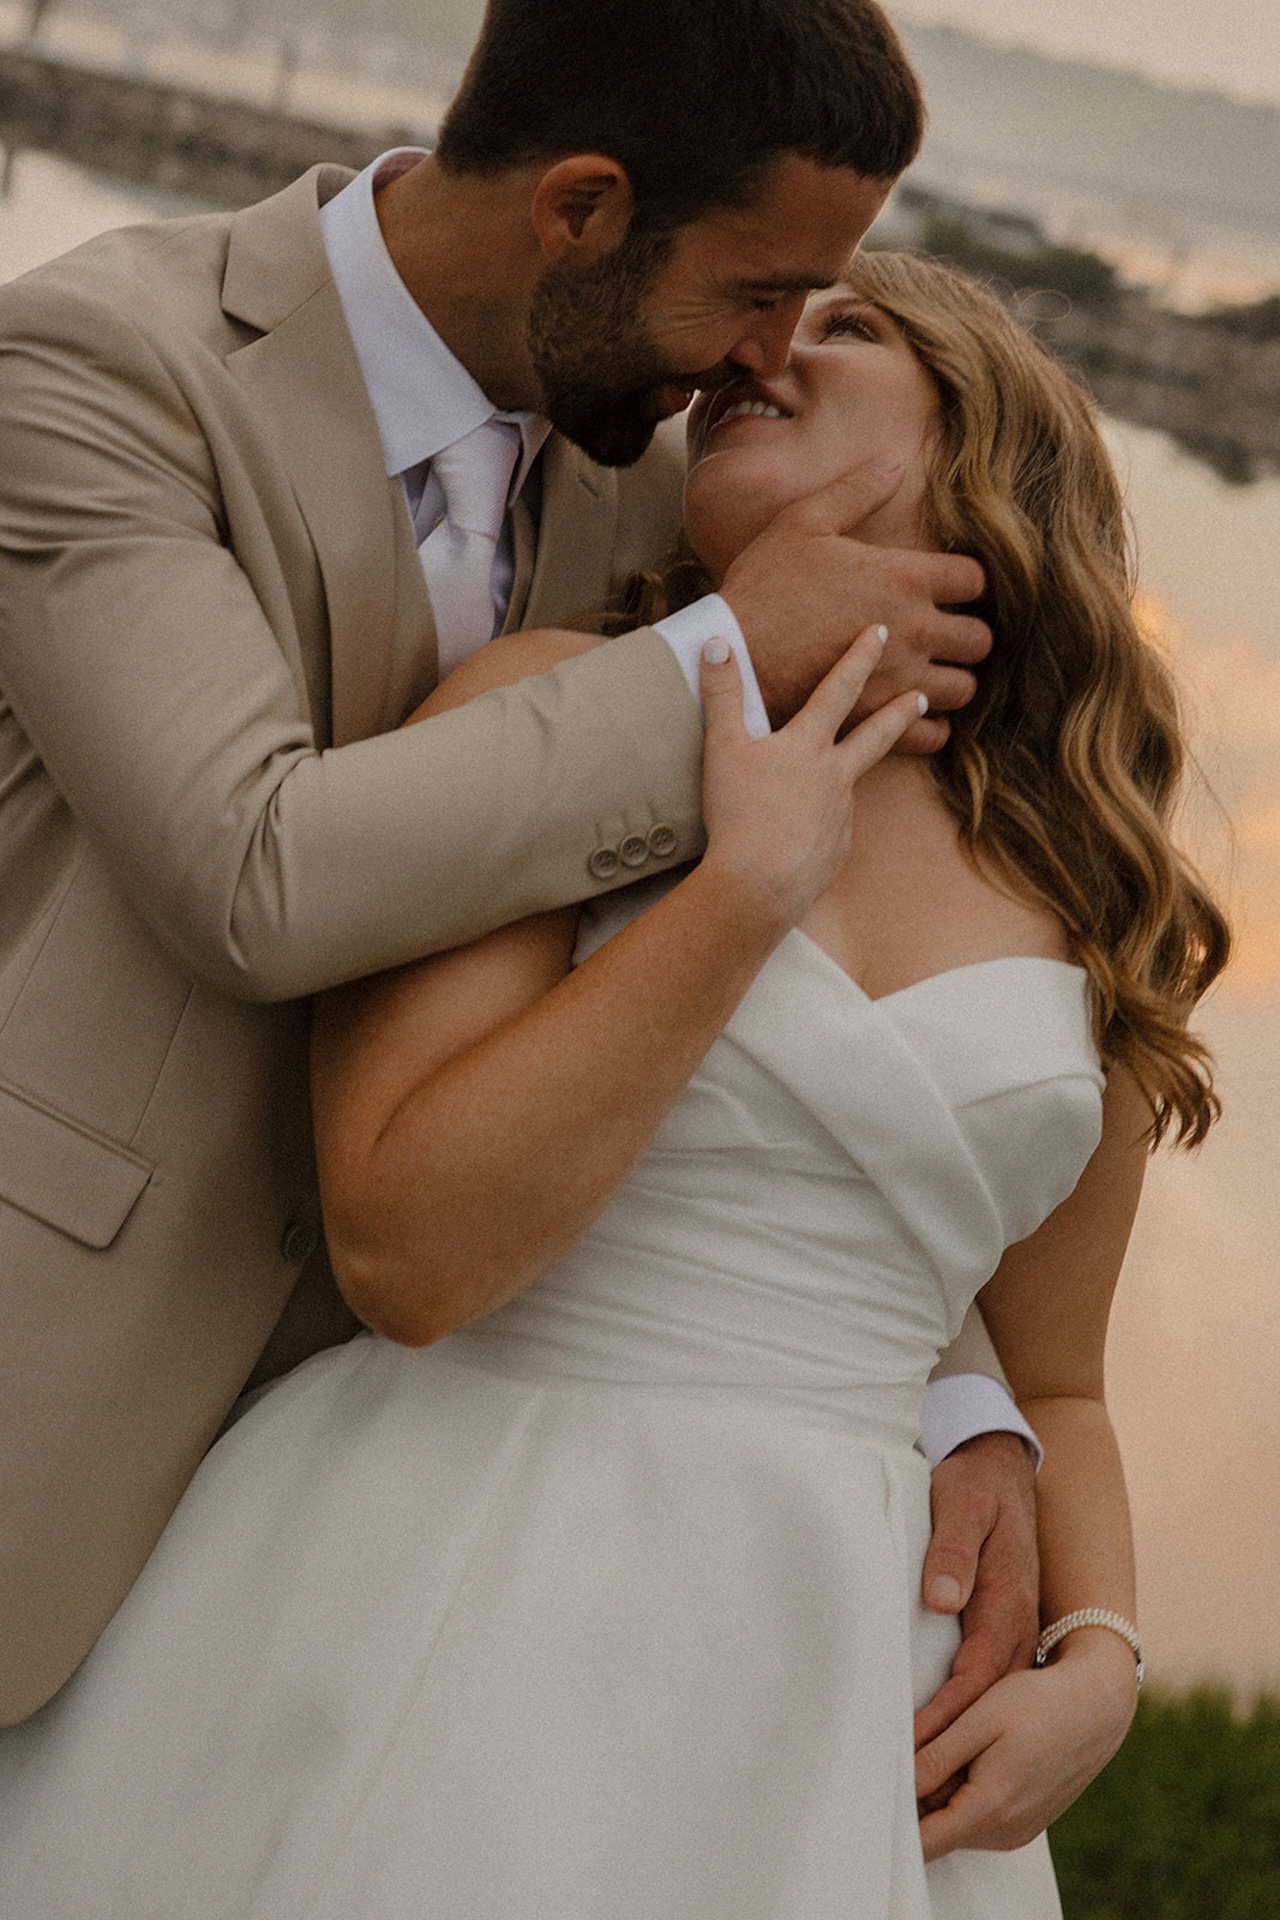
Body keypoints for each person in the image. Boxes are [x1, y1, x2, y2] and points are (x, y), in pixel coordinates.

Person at [0, 252, 1228, 1916]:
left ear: (993, 434)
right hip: (454, 1554)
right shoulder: (541, 716)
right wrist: (739, 898)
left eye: (847, 327)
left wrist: (1103, 1656)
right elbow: (405, 1248)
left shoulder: (1090, 878)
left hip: (841, 1658)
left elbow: (1059, 1383)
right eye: (756, 328)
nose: (763, 353)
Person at [0, 0, 1033, 1725]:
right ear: (580, 210)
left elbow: (771, 1026)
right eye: (758, 288)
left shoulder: (650, 459)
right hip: (55, 1388)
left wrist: (959, 1391)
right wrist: (720, 654)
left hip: (393, 1507)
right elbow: (256, 878)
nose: (767, 357)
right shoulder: (95, 371)